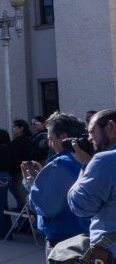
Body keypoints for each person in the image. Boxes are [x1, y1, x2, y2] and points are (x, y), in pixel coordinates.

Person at [23, 112, 88, 258]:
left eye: (50, 139)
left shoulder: (60, 164)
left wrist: (33, 186)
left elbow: (45, 206)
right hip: (89, 236)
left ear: (63, 137)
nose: (50, 144)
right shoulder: (90, 159)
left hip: (63, 239)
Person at [68, 108, 116, 260]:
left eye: (91, 131)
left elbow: (80, 206)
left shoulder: (104, 160)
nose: (89, 139)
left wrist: (84, 164)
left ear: (111, 127)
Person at [9, 119, 33, 211]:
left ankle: (23, 220)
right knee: (20, 195)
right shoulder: (27, 139)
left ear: (21, 128)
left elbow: (16, 157)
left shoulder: (21, 141)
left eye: (15, 127)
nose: (13, 129)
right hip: (21, 170)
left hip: (18, 171)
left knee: (19, 195)